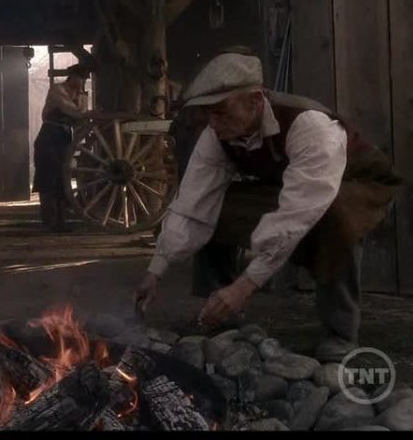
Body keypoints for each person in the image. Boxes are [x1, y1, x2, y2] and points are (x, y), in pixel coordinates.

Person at [134, 52, 402, 362]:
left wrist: (245, 286)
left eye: (221, 112)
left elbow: (297, 212)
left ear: (255, 100)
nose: (213, 123)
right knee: (216, 204)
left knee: (337, 219)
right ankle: (219, 314)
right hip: (290, 187)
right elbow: (193, 200)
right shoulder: (216, 134)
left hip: (356, 186)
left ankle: (340, 332)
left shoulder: (311, 126)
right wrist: (155, 271)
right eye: (209, 114)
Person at [33, 64, 91, 232]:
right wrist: (86, 113)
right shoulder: (57, 90)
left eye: (84, 80)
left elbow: (80, 119)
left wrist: (82, 100)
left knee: (61, 178)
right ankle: (49, 221)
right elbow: (75, 112)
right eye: (81, 79)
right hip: (49, 135)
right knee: (47, 177)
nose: (82, 83)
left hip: (65, 137)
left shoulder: (80, 95)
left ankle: (60, 221)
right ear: (72, 77)